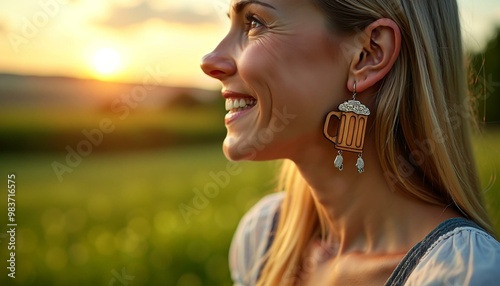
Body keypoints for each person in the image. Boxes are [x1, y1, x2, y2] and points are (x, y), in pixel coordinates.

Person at [200, 0, 500, 285]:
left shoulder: (464, 275)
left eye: (254, 22)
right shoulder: (264, 239)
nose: (211, 61)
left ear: (368, 54)